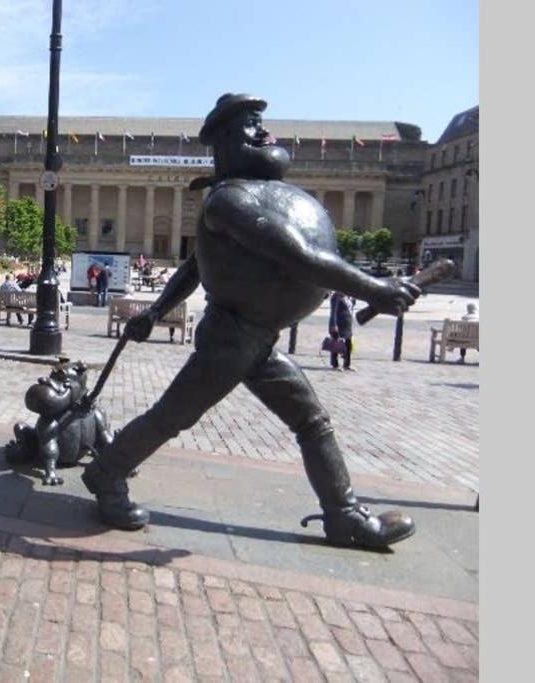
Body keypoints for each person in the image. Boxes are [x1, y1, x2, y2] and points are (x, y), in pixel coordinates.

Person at [80, 93, 421, 551]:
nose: (264, 132)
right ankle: (107, 472)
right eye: (251, 124)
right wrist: (377, 289)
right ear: (223, 138)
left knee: (310, 420)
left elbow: (193, 267)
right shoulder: (229, 201)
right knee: (174, 416)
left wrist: (155, 312)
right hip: (232, 335)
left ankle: (344, 518)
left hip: (255, 337)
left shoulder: (239, 195)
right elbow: (296, 253)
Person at [328, 291, 355, 371]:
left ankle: (347, 364)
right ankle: (335, 364)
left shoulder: (350, 298)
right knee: (336, 345)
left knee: (348, 345)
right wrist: (333, 324)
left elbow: (351, 308)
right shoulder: (336, 297)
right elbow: (333, 312)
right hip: (338, 324)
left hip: (347, 325)